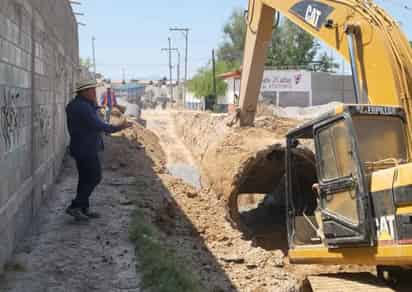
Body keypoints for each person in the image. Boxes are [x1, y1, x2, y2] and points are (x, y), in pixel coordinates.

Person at [65, 79, 132, 221]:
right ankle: (75, 206)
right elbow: (99, 125)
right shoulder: (82, 107)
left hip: (83, 147)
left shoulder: (82, 105)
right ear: (84, 92)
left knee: (85, 179)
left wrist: (95, 107)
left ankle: (83, 208)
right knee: (95, 177)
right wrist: (120, 126)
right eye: (92, 91)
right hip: (85, 149)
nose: (95, 93)